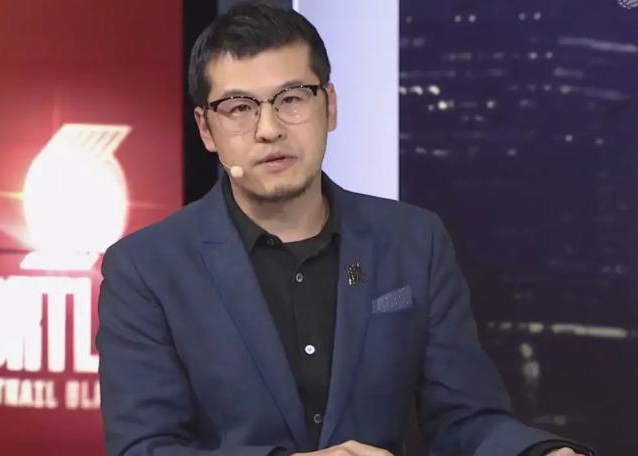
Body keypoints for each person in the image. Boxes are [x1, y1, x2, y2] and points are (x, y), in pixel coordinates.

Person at [96, 2, 594, 455]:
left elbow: (467, 418)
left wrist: (540, 453)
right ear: (207, 128)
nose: (269, 129)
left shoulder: (413, 242)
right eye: (240, 108)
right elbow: (144, 448)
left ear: (329, 106)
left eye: (292, 98)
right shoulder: (146, 269)